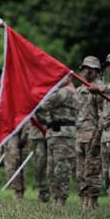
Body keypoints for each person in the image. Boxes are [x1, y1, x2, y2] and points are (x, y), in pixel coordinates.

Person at [89, 53, 110, 210]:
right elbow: (104, 114)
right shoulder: (108, 88)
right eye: (109, 65)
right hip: (106, 134)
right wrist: (98, 135)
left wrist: (102, 88)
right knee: (107, 172)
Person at [41, 78, 78, 206]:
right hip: (54, 134)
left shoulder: (66, 91)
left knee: (61, 168)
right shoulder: (60, 90)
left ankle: (61, 199)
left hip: (64, 135)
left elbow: (45, 104)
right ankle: (56, 198)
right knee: (51, 169)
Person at [75, 56, 103, 210]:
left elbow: (102, 114)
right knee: (80, 170)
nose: (87, 71)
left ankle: (92, 200)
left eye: (91, 68)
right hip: (80, 134)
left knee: (92, 169)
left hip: (93, 134)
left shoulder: (99, 90)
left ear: (97, 71)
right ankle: (83, 199)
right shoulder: (80, 90)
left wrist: (98, 136)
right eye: (85, 68)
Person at [28, 109, 50, 203]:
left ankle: (49, 192)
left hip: (48, 131)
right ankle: (42, 192)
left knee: (46, 165)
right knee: (38, 166)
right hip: (35, 134)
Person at [3, 126, 29, 200]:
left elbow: (27, 118)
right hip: (8, 133)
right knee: (9, 166)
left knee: (18, 164)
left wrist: (25, 135)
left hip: (20, 134)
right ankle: (16, 189)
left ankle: (20, 192)